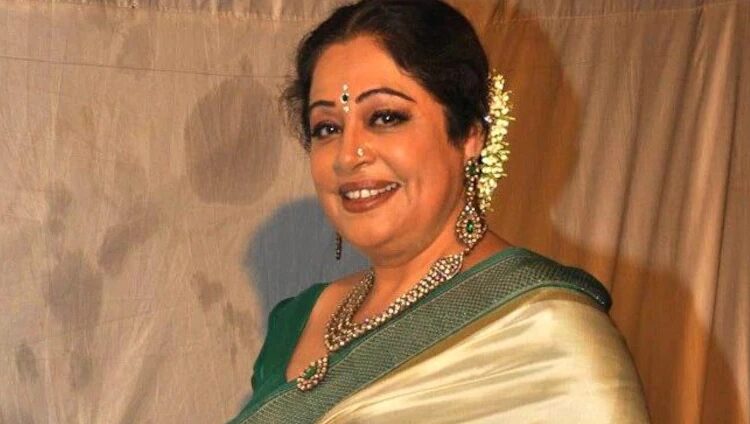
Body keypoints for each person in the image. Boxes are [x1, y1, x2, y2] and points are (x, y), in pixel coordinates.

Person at [229, 0, 649, 422]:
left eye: (385, 117)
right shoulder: (298, 321)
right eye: (327, 127)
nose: (347, 155)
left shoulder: (548, 336)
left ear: (469, 135)